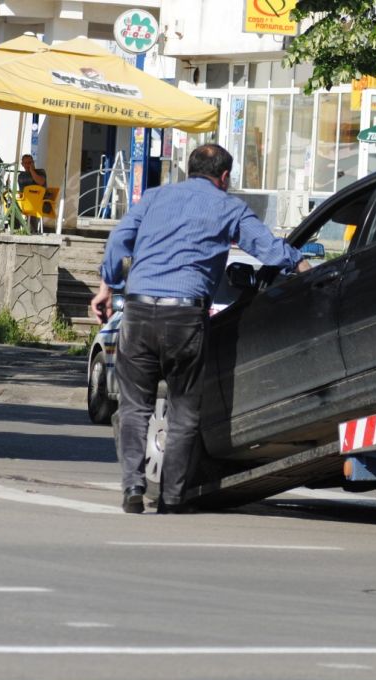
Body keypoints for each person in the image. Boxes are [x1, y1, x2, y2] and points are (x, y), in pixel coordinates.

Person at [90, 143, 312, 515]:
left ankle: (132, 487)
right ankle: (173, 498)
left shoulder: (155, 197)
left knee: (135, 408)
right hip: (185, 317)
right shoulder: (229, 207)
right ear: (224, 176)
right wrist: (302, 265)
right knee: (183, 410)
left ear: (190, 168)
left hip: (139, 312)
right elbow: (268, 248)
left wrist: (106, 287)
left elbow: (118, 240)